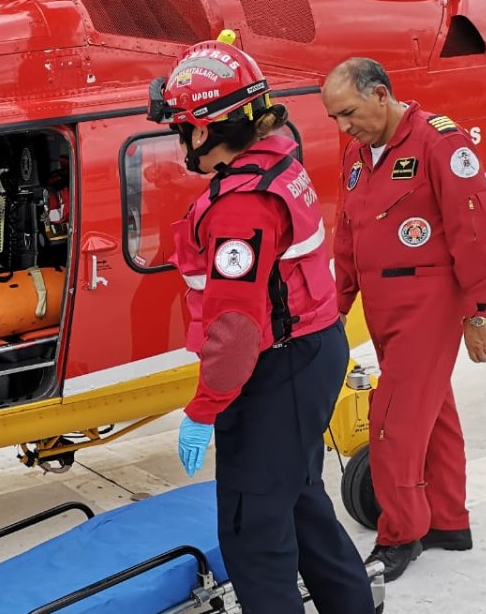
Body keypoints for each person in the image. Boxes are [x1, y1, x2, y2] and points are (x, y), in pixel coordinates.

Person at [149, 35, 376, 613]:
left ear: (203, 130)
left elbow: (236, 326)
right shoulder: (278, 161)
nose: (180, 140)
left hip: (276, 367)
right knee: (300, 501)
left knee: (254, 532)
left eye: (180, 127)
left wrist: (204, 408)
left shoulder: (240, 206)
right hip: (311, 351)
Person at [322, 57, 486, 581]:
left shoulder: (439, 143)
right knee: (434, 412)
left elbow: (476, 230)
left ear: (381, 95)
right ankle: (448, 520)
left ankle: (400, 534)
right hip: (384, 306)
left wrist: (477, 313)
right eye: (335, 117)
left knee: (392, 422)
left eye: (349, 112)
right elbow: (348, 234)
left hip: (429, 303)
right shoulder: (358, 155)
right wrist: (335, 305)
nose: (343, 126)